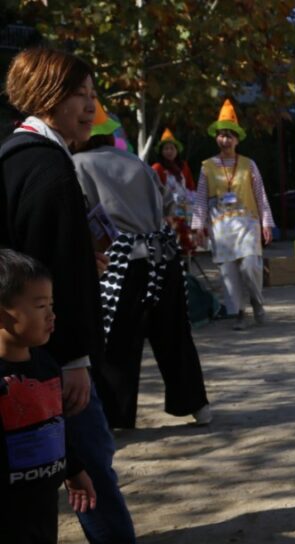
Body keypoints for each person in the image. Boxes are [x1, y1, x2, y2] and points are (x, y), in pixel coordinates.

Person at [2, 45, 195, 544]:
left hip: (22, 342)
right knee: (87, 449)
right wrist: (73, 358)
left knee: (51, 457)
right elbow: (51, 270)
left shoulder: (21, 157)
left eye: (92, 96)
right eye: (79, 96)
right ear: (47, 96)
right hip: (47, 348)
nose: (91, 107)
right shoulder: (46, 166)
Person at [73, 103, 210, 430]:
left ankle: (117, 417)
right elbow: (168, 204)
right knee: (175, 334)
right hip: (163, 257)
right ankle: (198, 406)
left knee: (117, 341)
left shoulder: (76, 164)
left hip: (120, 261)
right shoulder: (139, 163)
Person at [0, 249, 100, 544]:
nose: (51, 315)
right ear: (4, 314)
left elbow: (54, 425)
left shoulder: (45, 364)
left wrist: (74, 470)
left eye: (52, 304)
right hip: (4, 520)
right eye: (40, 306)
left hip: (41, 512)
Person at [191, 99, 275, 330]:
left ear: (237, 140)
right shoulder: (207, 166)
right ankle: (239, 312)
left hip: (247, 223)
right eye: (221, 135)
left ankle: (257, 302)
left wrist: (266, 223)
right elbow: (200, 197)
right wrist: (198, 227)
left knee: (250, 265)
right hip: (221, 226)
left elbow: (260, 194)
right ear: (216, 138)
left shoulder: (249, 165)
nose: (225, 139)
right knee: (228, 272)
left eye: (229, 135)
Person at [150, 128, 197, 255]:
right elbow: (154, 191)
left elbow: (191, 187)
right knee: (171, 245)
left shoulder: (184, 166)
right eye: (166, 149)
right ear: (161, 151)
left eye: (172, 148)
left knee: (187, 244)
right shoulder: (157, 168)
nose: (169, 151)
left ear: (177, 150)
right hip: (167, 212)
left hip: (185, 210)